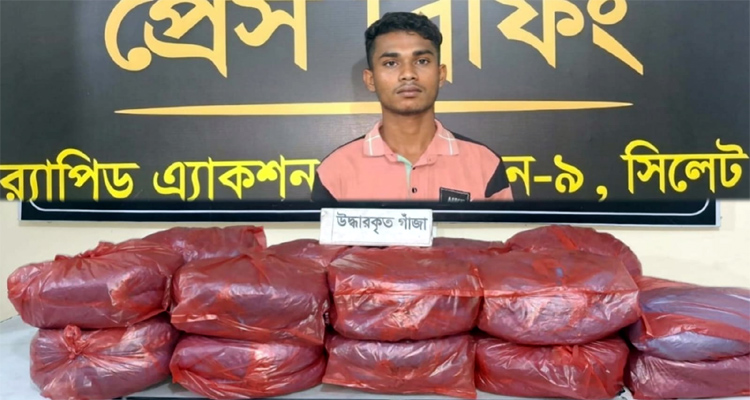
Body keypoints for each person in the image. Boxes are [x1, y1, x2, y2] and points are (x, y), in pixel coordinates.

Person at [311, 12, 514, 203]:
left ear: (441, 74)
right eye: (391, 63)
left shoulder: (484, 164)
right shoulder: (334, 172)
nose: (408, 74)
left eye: (422, 61)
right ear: (370, 79)